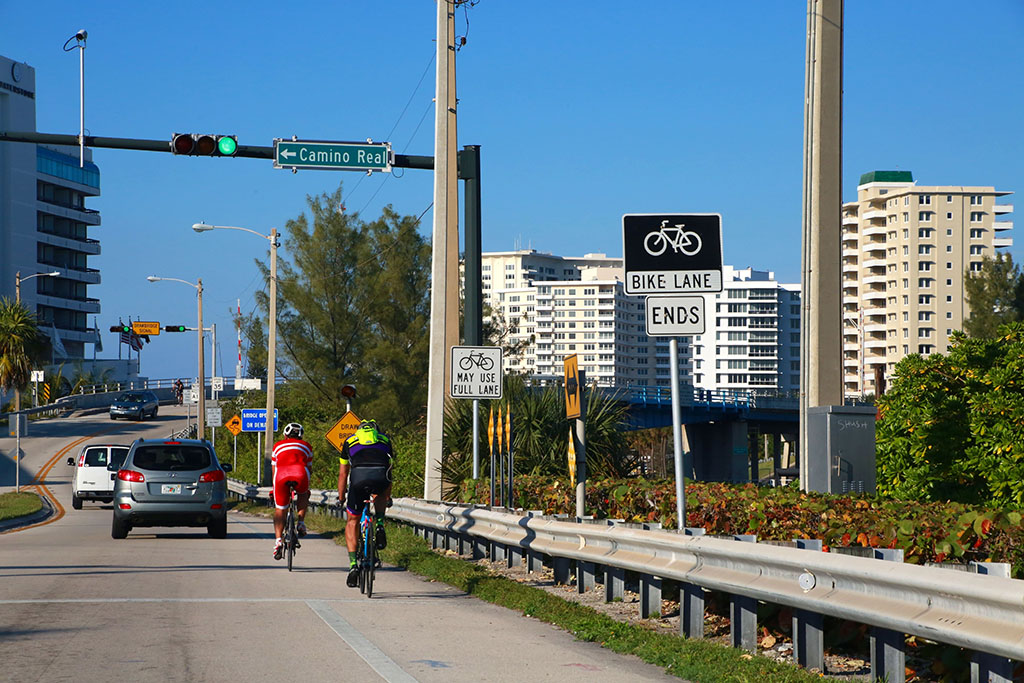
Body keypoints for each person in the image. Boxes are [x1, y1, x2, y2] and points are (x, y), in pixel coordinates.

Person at [338, 419, 394, 587]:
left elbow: (343, 474)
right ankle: (379, 524)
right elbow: (390, 471)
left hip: (358, 480)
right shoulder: (385, 440)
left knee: (352, 521)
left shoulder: (349, 441)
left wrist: (341, 497)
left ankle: (353, 566)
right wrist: (387, 497)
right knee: (381, 489)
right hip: (380, 476)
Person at [271, 422, 313, 560]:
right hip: (300, 473)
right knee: (303, 493)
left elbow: (274, 470)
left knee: (280, 509)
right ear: (301, 436)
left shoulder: (277, 446)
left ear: (285, 435)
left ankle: (278, 542)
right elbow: (309, 469)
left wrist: (274, 489)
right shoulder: (307, 446)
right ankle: (300, 522)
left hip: (281, 476)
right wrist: (306, 489)